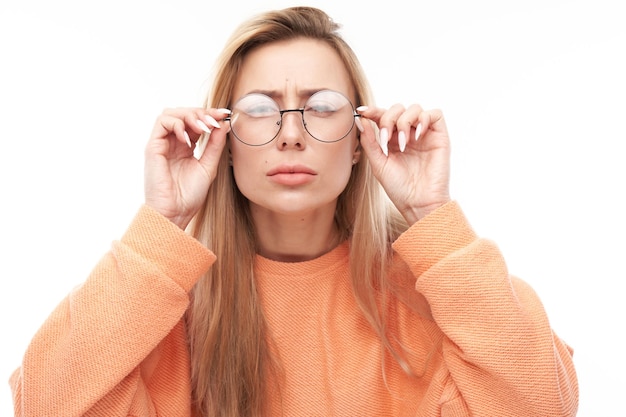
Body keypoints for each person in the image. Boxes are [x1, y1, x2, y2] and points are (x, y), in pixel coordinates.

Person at [9, 6, 578, 417]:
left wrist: (433, 215)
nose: (290, 135)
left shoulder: (429, 294)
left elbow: (543, 405)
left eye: (321, 106)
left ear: (359, 140)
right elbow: (45, 403)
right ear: (224, 141)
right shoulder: (162, 307)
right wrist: (161, 227)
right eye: (260, 109)